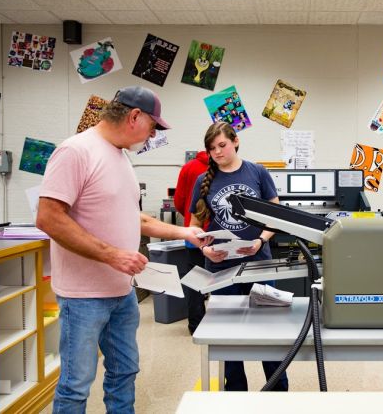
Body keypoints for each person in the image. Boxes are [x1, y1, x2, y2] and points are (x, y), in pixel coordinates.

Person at [36, 86, 209, 413]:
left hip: (121, 293)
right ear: (134, 117)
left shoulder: (120, 156)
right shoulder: (76, 151)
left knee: (125, 371)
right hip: (83, 297)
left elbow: (135, 217)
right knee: (76, 384)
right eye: (153, 126)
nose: (153, 134)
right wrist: (112, 254)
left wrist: (185, 231)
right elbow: (48, 218)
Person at [189, 121, 288, 392]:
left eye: (222, 145)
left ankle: (278, 392)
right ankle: (235, 394)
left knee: (269, 332)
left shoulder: (257, 172)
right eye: (212, 149)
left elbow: (275, 216)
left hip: (259, 264)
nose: (217, 152)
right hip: (221, 269)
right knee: (229, 338)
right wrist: (204, 248)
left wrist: (259, 241)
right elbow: (195, 224)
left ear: (235, 141)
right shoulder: (203, 180)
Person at [174, 150, 209, 335]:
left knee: (195, 282)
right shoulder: (227, 168)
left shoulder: (188, 167)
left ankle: (196, 325)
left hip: (195, 235)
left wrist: (189, 218)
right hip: (220, 238)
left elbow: (179, 200)